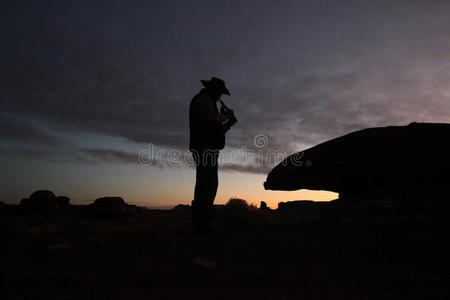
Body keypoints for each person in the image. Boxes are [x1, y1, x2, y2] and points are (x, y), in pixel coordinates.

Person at [189, 77, 237, 232]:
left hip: (209, 148)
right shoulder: (202, 100)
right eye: (219, 93)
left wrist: (228, 122)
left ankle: (203, 220)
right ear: (212, 89)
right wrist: (226, 117)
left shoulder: (210, 103)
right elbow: (213, 122)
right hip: (204, 147)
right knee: (206, 183)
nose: (220, 97)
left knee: (209, 184)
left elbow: (216, 129)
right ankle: (202, 222)